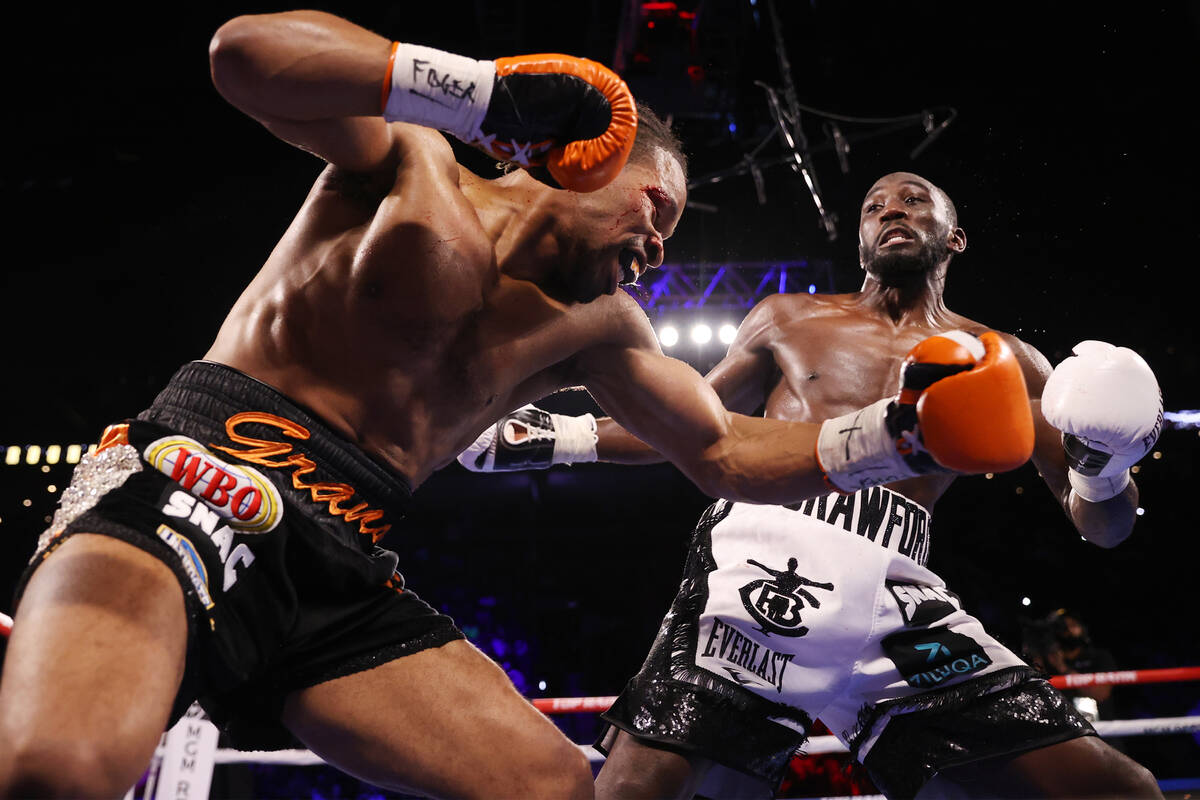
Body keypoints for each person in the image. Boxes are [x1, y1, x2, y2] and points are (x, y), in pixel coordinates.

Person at [0, 10, 1034, 799]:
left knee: (551, 786)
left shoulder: (601, 328)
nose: (659, 244)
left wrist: (893, 431)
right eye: (655, 206)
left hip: (340, 565)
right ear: (581, 160)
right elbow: (242, 55)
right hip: (196, 481)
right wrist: (477, 93)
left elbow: (724, 450)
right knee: (63, 774)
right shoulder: (410, 164)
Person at [461, 172, 1165, 799]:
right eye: (875, 204)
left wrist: (1105, 468)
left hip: (903, 600)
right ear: (859, 237)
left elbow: (1101, 527)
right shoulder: (789, 318)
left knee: (1117, 788)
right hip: (769, 559)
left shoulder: (1005, 359)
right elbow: (685, 425)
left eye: (915, 200)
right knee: (647, 791)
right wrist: (542, 437)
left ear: (955, 238)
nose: (892, 209)